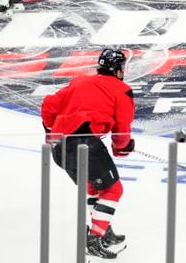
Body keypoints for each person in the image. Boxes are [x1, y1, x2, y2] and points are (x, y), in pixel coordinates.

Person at [41, 49, 135, 260]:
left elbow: (49, 105)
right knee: (113, 189)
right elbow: (122, 128)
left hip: (59, 147)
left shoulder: (79, 81)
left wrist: (51, 131)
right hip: (85, 144)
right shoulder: (122, 90)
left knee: (94, 186)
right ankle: (95, 238)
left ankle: (102, 229)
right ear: (118, 70)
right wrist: (122, 148)